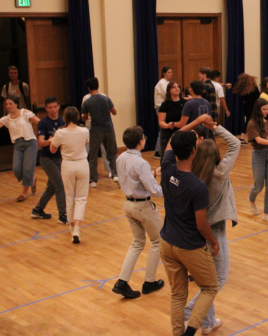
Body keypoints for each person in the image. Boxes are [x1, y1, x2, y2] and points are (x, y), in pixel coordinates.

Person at [160, 128, 219, 336]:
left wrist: (190, 125)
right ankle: (190, 331)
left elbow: (169, 141)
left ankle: (178, 333)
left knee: (178, 295)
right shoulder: (197, 186)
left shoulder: (166, 168)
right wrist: (213, 241)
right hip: (189, 246)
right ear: (194, 150)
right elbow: (201, 224)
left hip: (167, 242)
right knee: (210, 287)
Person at [183, 120, 240, 334]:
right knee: (217, 280)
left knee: (207, 278)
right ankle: (190, 310)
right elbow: (235, 144)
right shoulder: (220, 173)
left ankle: (206, 322)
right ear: (216, 155)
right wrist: (216, 128)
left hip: (196, 231)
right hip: (214, 232)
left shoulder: (192, 176)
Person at [112, 126, 164, 299]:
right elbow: (155, 190)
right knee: (158, 241)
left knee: (137, 243)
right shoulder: (141, 163)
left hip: (128, 204)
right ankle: (149, 281)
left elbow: (133, 177)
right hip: (143, 206)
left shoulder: (121, 157)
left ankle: (122, 281)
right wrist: (171, 188)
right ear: (141, 141)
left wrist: (152, 173)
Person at [50, 107, 90, 244]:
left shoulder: (60, 133)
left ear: (65, 118)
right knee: (81, 197)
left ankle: (72, 226)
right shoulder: (84, 131)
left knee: (69, 196)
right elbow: (85, 143)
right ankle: (77, 227)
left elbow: (52, 149)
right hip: (82, 165)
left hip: (67, 165)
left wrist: (53, 141)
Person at [31, 97, 67, 224]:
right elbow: (40, 142)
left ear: (58, 107)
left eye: (54, 107)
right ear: (46, 108)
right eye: (49, 107)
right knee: (60, 185)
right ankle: (63, 215)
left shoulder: (64, 120)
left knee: (52, 186)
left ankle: (37, 210)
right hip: (47, 158)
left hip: (60, 158)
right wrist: (49, 141)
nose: (52, 110)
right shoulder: (43, 123)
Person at [0, 95, 39, 201]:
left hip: (30, 143)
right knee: (16, 169)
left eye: (10, 103)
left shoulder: (25, 113)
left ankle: (24, 193)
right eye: (6, 104)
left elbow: (39, 122)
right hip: (18, 145)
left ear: (16, 104)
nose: (8, 106)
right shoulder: (6, 119)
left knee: (28, 169)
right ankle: (32, 179)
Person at [81, 77, 118, 188]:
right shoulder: (106, 98)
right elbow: (114, 112)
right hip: (109, 129)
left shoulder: (87, 102)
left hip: (96, 130)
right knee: (111, 153)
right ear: (98, 85)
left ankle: (93, 181)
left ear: (88, 88)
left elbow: (85, 117)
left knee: (93, 155)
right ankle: (115, 174)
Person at [247, 98, 268, 224]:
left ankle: (266, 214)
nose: (266, 112)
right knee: (258, 185)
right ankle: (251, 199)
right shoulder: (252, 123)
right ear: (258, 109)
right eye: (263, 109)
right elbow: (259, 140)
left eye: (267, 109)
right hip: (259, 155)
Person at [158, 82, 187, 161]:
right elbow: (161, 121)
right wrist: (168, 125)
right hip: (168, 133)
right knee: (166, 157)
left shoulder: (185, 103)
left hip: (182, 133)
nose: (177, 88)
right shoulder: (165, 104)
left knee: (184, 156)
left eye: (178, 87)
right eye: (174, 87)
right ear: (169, 91)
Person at [233, 73, 261, 144]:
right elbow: (258, 97)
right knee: (256, 122)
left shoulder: (243, 89)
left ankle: (242, 138)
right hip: (254, 107)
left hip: (247, 107)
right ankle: (255, 137)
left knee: (248, 122)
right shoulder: (254, 88)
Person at [153, 66, 173, 158]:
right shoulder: (162, 83)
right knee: (163, 128)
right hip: (161, 107)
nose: (170, 74)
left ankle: (160, 150)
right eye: (168, 72)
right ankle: (158, 151)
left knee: (164, 129)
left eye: (171, 72)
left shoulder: (168, 83)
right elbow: (168, 95)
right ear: (164, 73)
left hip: (166, 107)